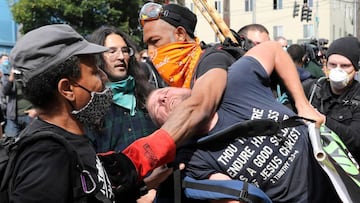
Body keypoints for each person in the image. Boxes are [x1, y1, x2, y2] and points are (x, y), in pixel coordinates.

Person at [5, 24, 197, 203]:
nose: (104, 79)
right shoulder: (48, 156)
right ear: (67, 89)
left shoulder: (72, 142)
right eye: (95, 73)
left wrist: (142, 185)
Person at [146, 41, 341, 203]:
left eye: (164, 91)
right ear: (167, 127)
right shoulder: (193, 159)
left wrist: (302, 104)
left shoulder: (235, 83)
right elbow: (230, 195)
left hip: (335, 174)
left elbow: (273, 50)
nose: (162, 98)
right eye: (157, 107)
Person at [86, 26, 157, 152]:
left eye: (125, 51)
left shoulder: (148, 96)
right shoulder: (89, 106)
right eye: (112, 51)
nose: (121, 57)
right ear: (97, 57)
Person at [303, 36, 360, 163]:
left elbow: (356, 139)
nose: (337, 70)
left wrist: (324, 121)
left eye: (345, 66)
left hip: (346, 172)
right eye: (333, 64)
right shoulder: (311, 89)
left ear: (355, 69)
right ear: (325, 65)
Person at [2, 65, 36, 137]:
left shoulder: (30, 72)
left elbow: (39, 91)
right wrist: (11, 78)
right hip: (13, 117)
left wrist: (36, 109)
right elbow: (5, 91)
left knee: (31, 140)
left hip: (30, 115)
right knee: (10, 142)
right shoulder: (7, 75)